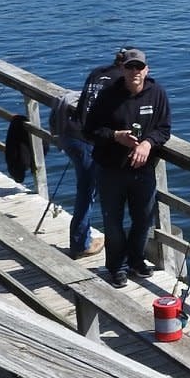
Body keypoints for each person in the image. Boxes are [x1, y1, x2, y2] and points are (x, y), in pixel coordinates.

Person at [81, 47, 171, 288]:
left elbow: (164, 129)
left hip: (143, 170)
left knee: (143, 220)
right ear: (122, 69)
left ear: (146, 69)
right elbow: (89, 130)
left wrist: (148, 144)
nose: (134, 72)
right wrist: (115, 136)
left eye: (139, 67)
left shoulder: (157, 93)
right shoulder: (108, 95)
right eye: (129, 67)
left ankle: (136, 260)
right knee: (113, 222)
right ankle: (116, 267)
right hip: (111, 169)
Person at [53, 48, 130, 259]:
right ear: (125, 65)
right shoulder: (121, 81)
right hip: (86, 139)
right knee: (88, 190)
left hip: (71, 133)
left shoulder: (97, 72)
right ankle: (80, 244)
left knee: (87, 187)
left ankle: (82, 238)